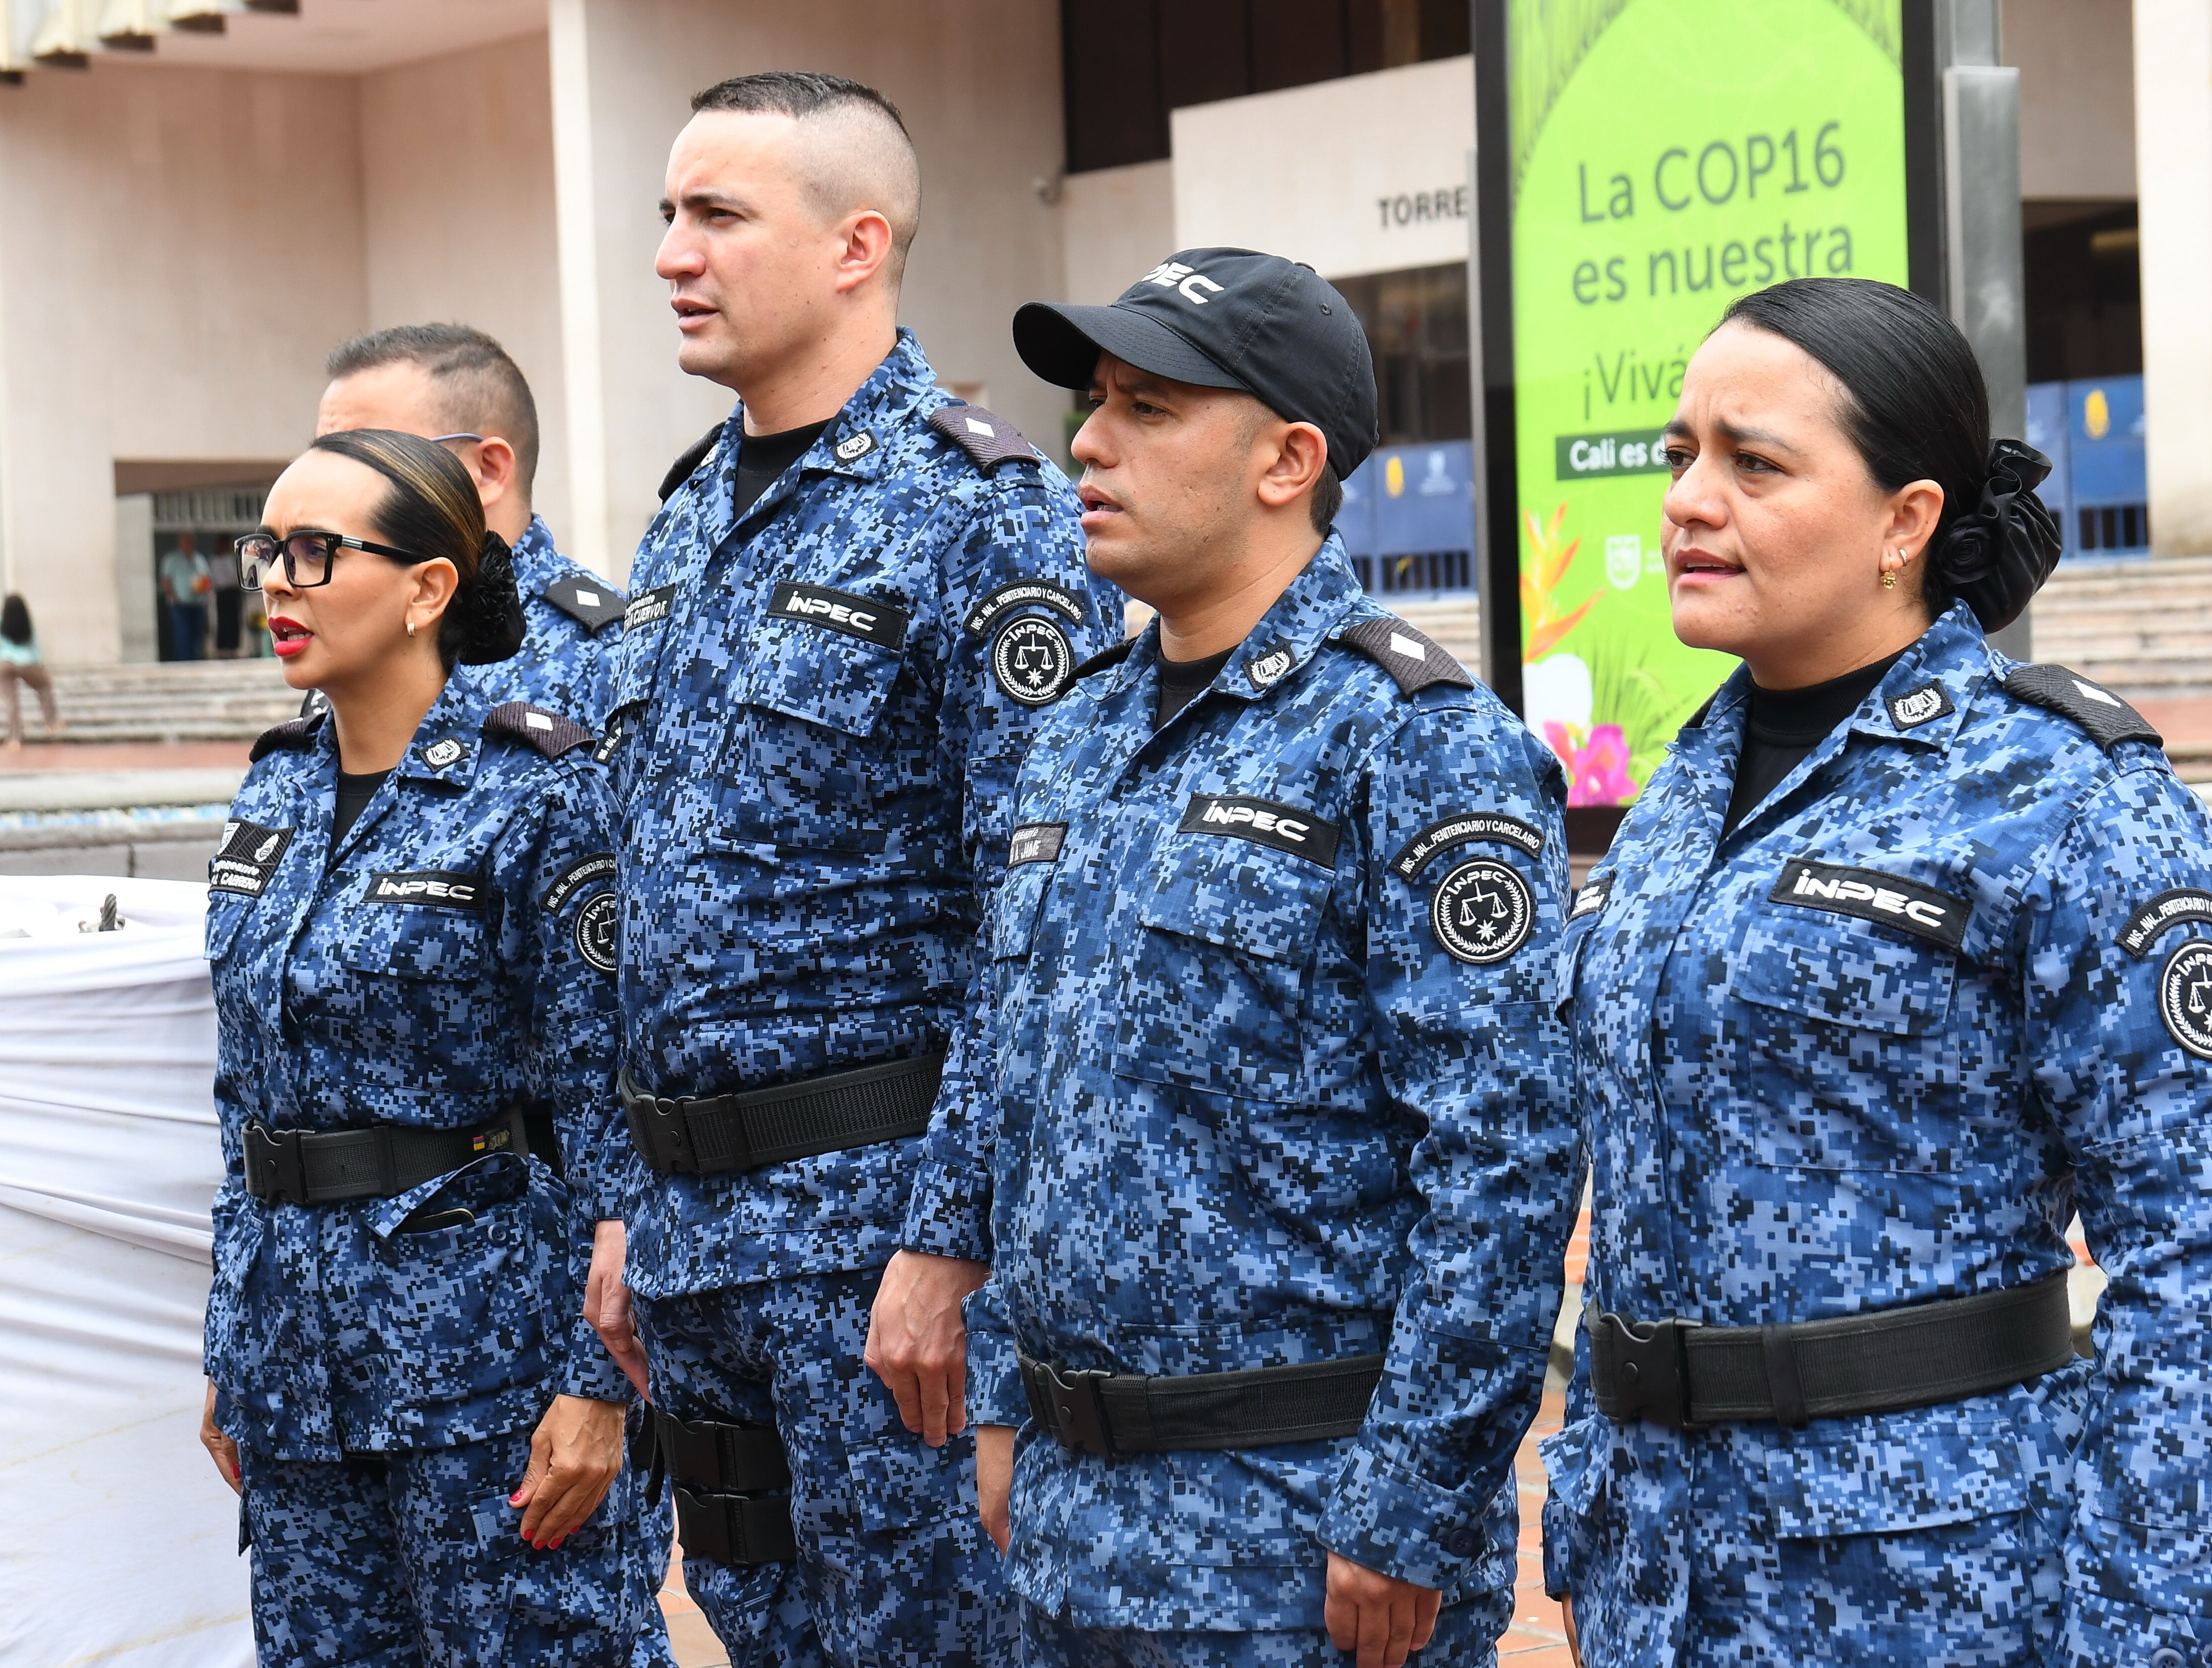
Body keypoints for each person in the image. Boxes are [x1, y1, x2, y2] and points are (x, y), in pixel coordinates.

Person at [1544, 278, 2212, 1666]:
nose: (1692, 499)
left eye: (1755, 461)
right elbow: (1640, 1197)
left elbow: (2202, 1263)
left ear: (1907, 520)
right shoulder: (1683, 795)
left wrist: (2142, 1643)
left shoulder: (2064, 796)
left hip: (1927, 1586)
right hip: (1660, 1579)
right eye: (1681, 454)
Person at [966, 247, 1579, 1668]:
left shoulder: (1415, 741)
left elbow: (1501, 1159)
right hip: (1072, 1514)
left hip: (1297, 1533)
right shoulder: (1081, 724)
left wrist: (1411, 1506)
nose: (1089, 441)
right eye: (1091, 401)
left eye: (1149, 407)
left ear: (1288, 458)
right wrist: (1005, 1392)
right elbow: (1023, 1087)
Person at [580, 71, 1117, 1667]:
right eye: (667, 214)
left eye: (718, 215)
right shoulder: (684, 522)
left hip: (872, 1242)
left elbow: (1033, 924)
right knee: (758, 1627)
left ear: (854, 246)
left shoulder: (981, 513)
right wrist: (624, 1206)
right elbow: (646, 908)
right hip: (695, 1248)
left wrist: (950, 1241)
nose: (673, 252)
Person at [191, 429, 672, 1664]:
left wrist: (597, 1385)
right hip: (296, 1369)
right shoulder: (276, 791)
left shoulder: (538, 794)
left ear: (427, 588)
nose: (277, 583)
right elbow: (248, 1097)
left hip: (488, 1372)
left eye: (314, 552)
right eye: (267, 549)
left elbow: (610, 1112)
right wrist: (229, 1344)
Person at [319, 323, 623, 722]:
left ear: (487, 470)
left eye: (371, 459)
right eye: (324, 463)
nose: (324, 488)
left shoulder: (610, 656)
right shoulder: (360, 632)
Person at [0, 594, 60, 748]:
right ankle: (50, 723)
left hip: (4, 662)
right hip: (27, 662)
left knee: (10, 701)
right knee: (44, 687)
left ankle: (14, 738)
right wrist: (40, 664)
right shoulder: (26, 621)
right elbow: (35, 645)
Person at [162, 533, 212, 661]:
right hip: (179, 605)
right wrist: (173, 597)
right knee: (182, 635)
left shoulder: (199, 560)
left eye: (189, 541)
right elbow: (166, 580)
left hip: (197, 604)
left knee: (196, 635)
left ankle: (195, 660)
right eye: (185, 541)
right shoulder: (172, 559)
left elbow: (207, 579)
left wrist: (202, 588)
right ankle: (183, 661)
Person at [210, 538, 246, 657]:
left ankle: (234, 647)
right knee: (224, 620)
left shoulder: (233, 559)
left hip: (234, 592)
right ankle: (223, 648)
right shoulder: (217, 560)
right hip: (223, 592)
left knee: (235, 619)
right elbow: (218, 578)